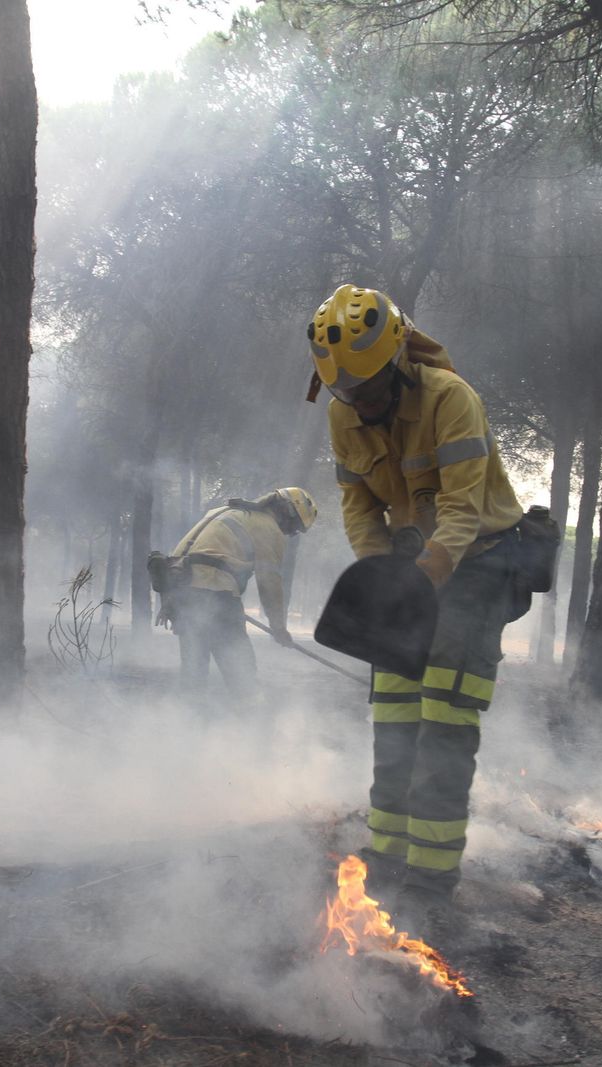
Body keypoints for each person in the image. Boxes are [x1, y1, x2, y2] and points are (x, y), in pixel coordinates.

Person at [306, 283, 530, 923]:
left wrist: (425, 575)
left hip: (479, 564)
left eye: (372, 387)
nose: (363, 404)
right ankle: (386, 856)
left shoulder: (452, 399)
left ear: (400, 361)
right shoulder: (344, 414)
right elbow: (358, 506)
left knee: (445, 721)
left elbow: (462, 508)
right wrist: (381, 575)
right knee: (395, 714)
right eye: (348, 393)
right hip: (407, 568)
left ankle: (431, 881)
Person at [157, 487, 318, 694]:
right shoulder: (268, 527)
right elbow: (269, 581)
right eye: (294, 528)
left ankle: (189, 712)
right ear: (288, 512)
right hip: (216, 592)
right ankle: (248, 711)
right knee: (241, 671)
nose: (288, 533)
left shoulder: (225, 511)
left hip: (181, 593)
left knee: (193, 670)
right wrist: (278, 627)